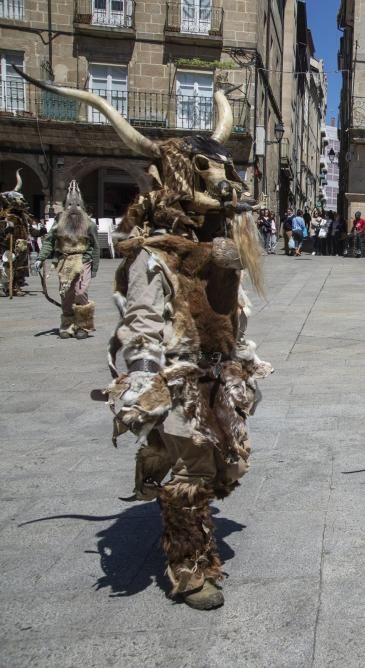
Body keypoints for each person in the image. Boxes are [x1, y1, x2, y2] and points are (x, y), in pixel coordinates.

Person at [19, 67, 273, 610]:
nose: (223, 186)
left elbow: (232, 317)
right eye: (205, 173)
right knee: (189, 470)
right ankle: (190, 569)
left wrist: (238, 343)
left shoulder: (217, 248)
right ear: (179, 181)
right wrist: (144, 380)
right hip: (177, 376)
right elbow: (140, 324)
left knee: (218, 463)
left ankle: (187, 519)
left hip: (217, 374)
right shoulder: (153, 256)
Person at [35, 181, 99, 339]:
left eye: (77, 204)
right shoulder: (59, 224)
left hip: (83, 260)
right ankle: (68, 324)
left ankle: (83, 325)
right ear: (65, 206)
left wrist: (94, 266)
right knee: (66, 294)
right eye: (70, 204)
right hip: (64, 261)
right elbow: (49, 241)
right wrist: (40, 258)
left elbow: (95, 245)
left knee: (80, 291)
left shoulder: (89, 224)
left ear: (82, 205)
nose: (74, 207)